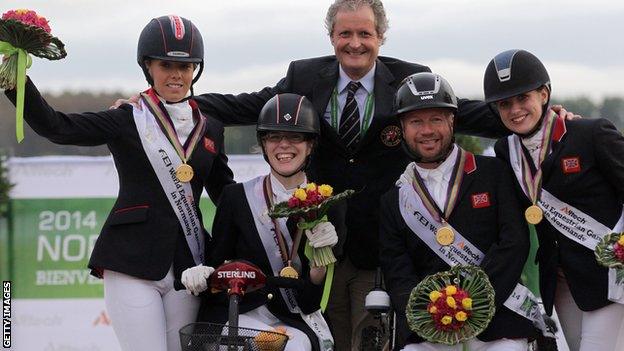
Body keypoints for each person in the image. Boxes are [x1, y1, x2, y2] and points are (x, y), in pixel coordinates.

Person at [114, 2, 574, 348]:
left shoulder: (411, 78)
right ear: (331, 37)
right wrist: (160, 104)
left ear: (381, 37)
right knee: (325, 336)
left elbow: (463, 114)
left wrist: (537, 117)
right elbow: (247, 104)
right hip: (321, 242)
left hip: (389, 235)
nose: (355, 43)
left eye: (365, 34)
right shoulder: (303, 75)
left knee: (373, 336)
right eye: (344, 33)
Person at [4, 15, 233, 351]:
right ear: (148, 66)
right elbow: (57, 127)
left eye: (186, 67)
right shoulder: (128, 118)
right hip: (131, 261)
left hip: (189, 266)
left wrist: (271, 210)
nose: (176, 74)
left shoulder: (210, 127)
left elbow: (226, 194)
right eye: (166, 65)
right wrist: (15, 78)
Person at [379, 72, 536, 350]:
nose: (426, 130)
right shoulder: (395, 199)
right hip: (430, 328)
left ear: (452, 121)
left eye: (436, 119)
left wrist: (472, 302)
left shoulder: (494, 173)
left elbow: (514, 243)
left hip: (498, 324)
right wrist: (432, 313)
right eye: (416, 121)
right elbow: (398, 272)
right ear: (402, 128)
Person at [484, 49, 624, 351]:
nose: (515, 110)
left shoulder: (589, 133)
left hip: (609, 275)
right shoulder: (504, 151)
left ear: (544, 94)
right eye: (505, 104)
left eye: (523, 98)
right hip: (561, 282)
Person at [182, 93, 345, 351]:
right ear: (263, 143)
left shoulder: (327, 203)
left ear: (311, 144)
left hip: (293, 316)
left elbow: (312, 298)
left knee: (293, 346)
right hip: (240, 311)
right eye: (274, 137)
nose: (283, 145)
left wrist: (319, 263)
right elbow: (217, 264)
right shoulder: (236, 197)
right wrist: (203, 273)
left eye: (294, 137)